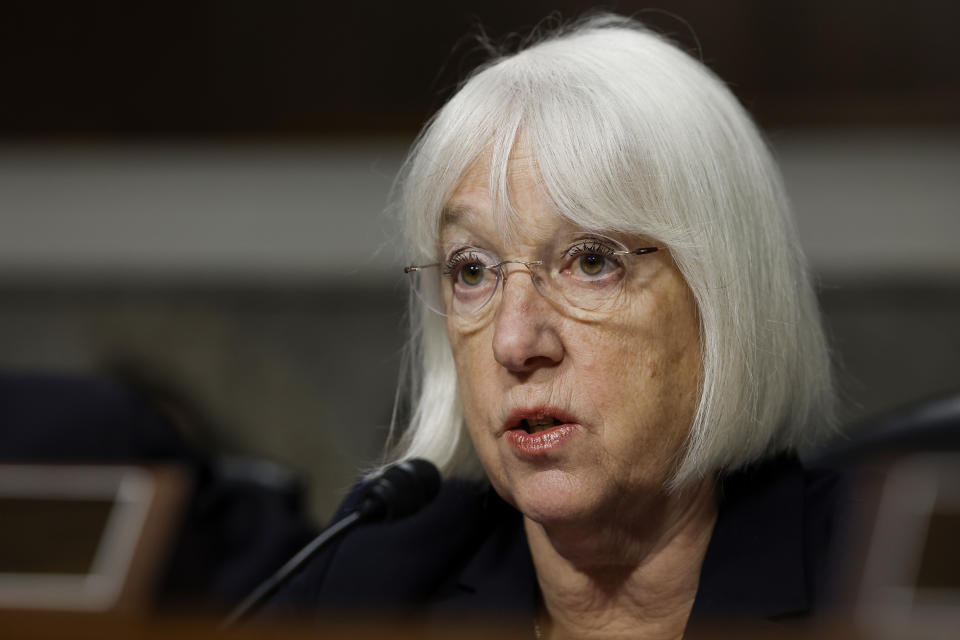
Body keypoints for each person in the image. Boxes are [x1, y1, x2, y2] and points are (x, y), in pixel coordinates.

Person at [272, 13, 839, 638]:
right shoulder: (372, 583)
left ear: (726, 296)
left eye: (591, 261)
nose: (514, 342)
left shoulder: (884, 583)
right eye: (471, 270)